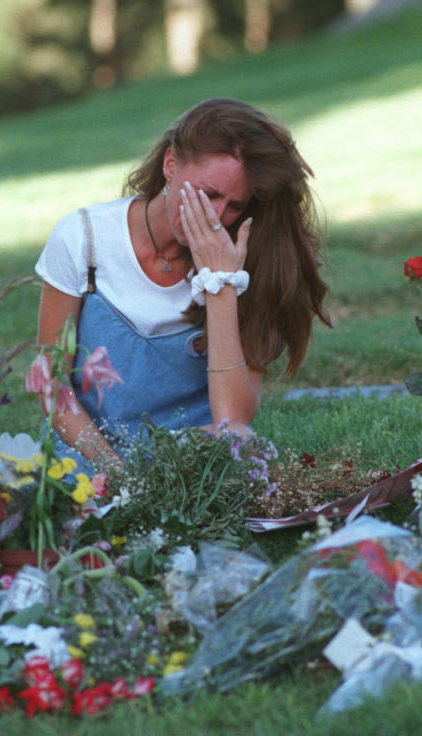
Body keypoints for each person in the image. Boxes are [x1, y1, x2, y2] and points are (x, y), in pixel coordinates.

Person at [34, 98, 330, 472]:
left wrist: (220, 284)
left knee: (239, 446)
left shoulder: (242, 256)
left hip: (187, 459)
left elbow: (234, 421)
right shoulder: (84, 237)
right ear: (170, 165)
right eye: (208, 196)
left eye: (236, 206)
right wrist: (118, 474)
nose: (216, 218)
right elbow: (52, 385)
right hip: (89, 454)